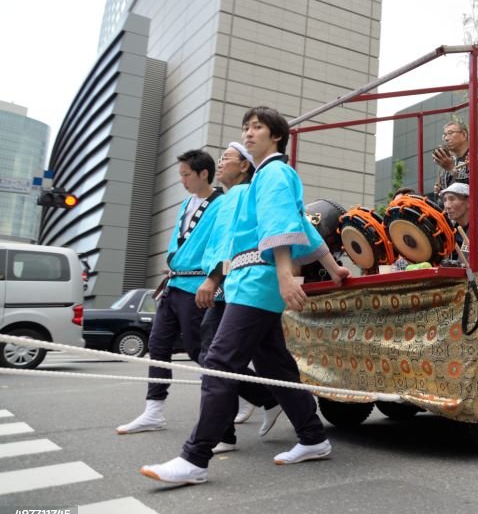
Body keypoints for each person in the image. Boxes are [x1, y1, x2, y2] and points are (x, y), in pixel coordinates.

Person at [141, 106, 350, 485]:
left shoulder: (273, 172)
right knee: (275, 366)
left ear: (277, 136)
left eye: (257, 127)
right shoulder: (263, 180)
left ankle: (195, 459)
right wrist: (333, 268)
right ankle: (313, 437)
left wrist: (287, 276)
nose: (249, 133)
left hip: (259, 280)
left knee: (219, 361)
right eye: (246, 128)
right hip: (250, 280)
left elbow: (283, 226)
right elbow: (303, 222)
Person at [117, 150, 224, 434]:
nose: (182, 180)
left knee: (199, 351)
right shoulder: (186, 203)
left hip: (198, 286)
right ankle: (154, 410)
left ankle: (259, 395)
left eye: (186, 174)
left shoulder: (222, 203)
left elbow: (219, 245)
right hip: (174, 284)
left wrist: (212, 279)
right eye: (181, 175)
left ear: (203, 173)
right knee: (158, 344)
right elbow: (178, 242)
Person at [194, 142, 282, 450]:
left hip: (236, 284)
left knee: (214, 357)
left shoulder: (243, 195)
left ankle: (220, 436)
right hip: (233, 284)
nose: (220, 163)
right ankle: (269, 401)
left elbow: (231, 247)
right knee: (269, 360)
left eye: (226, 159)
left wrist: (213, 279)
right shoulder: (229, 197)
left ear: (244, 165)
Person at [439, 182, 478, 264]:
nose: (447, 206)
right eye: (445, 200)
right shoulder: (446, 230)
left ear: (468, 202)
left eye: (452, 199)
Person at [432, 120, 471, 195]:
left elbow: (476, 188)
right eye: (444, 135)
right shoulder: (449, 162)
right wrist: (441, 191)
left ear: (464, 135)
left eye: (450, 133)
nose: (446, 138)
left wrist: (451, 169)